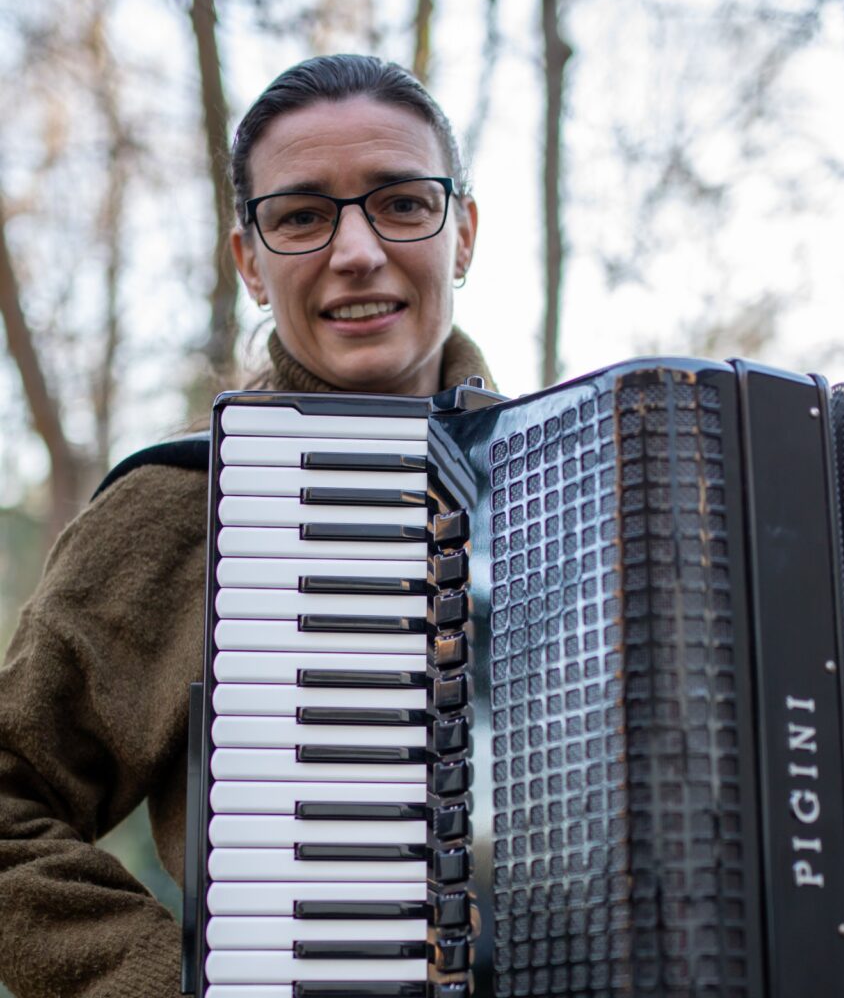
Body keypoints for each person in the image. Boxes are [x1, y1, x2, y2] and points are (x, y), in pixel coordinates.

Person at [0, 54, 496, 997]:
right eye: (303, 216)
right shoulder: (183, 505)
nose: (357, 251)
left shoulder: (599, 491)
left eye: (400, 202)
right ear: (251, 264)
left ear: (461, 234)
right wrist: (162, 983)